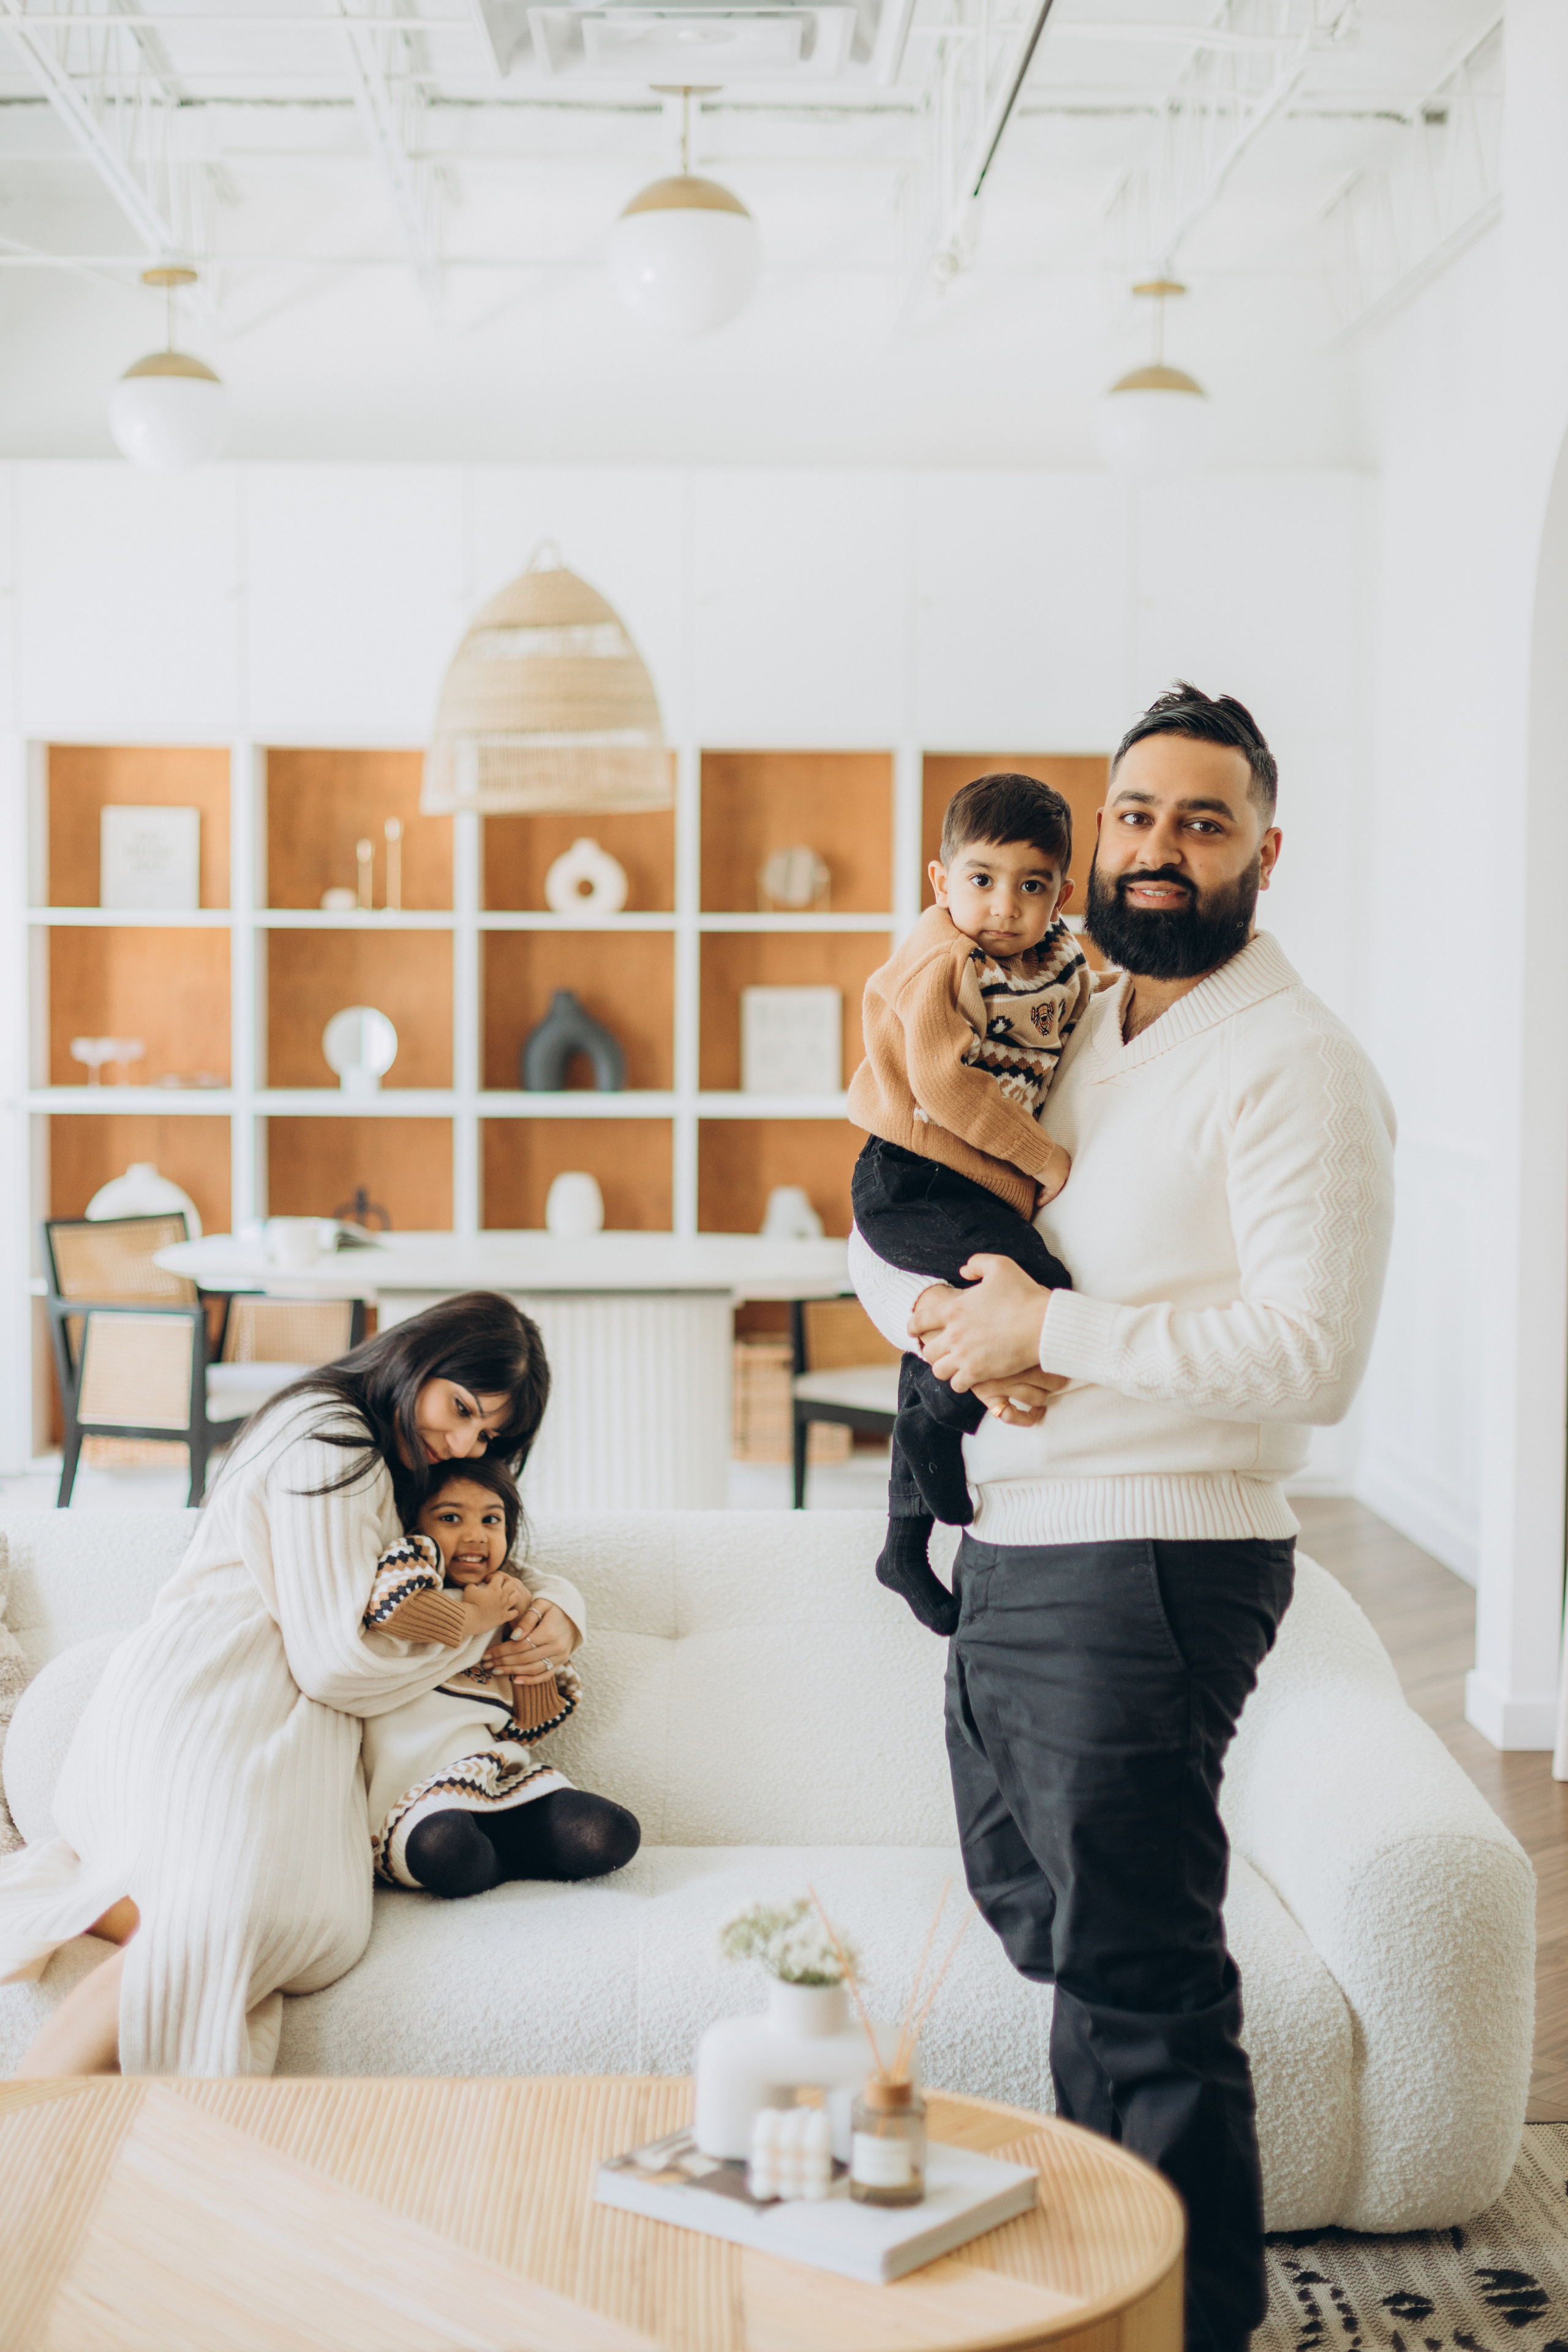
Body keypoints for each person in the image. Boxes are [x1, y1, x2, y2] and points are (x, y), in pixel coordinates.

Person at [850, 685, 1396, 2352]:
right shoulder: (1080, 1021)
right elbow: (930, 1198)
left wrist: (1046, 1334)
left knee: (1142, 1983)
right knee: (1064, 1946)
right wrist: (937, 1318)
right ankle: (1110, 2301)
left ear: (1265, 852)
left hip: (1153, 1556)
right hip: (1018, 1546)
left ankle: (1190, 2327)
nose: (1161, 850)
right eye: (1138, 816)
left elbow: (1314, 1357)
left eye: (1204, 822)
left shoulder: (1295, 1065)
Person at [0, 1292, 606, 2078]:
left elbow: (452, 1555)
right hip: (215, 1700)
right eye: (459, 1408)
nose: (460, 1442)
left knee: (309, 1927)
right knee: (248, 1925)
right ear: (419, 1357)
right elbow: (340, 1665)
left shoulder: (380, 1446)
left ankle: (116, 1955)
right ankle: (31, 2133)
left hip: (262, 1710)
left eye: (485, 1433)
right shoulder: (332, 1441)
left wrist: (557, 1603)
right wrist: (489, 1627)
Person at [846, 771, 1091, 1634]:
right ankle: (942, 1426)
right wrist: (1042, 1159)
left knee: (932, 1349)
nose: (1003, 906)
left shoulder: (1055, 964)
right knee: (1037, 1283)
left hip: (956, 1178)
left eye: (1031, 886)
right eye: (982, 880)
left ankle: (904, 1547)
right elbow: (945, 1088)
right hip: (910, 1173)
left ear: (1063, 894)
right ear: (939, 880)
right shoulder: (943, 959)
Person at [361, 1453, 638, 1896]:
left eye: (493, 1520)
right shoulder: (412, 1565)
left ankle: (500, 1851)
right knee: (448, 1847)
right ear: (413, 1523)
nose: (475, 1536)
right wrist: (476, 1614)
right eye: (451, 1517)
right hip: (413, 1803)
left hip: (491, 1781)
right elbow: (393, 1610)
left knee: (611, 1832)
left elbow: (527, 1727)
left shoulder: (505, 1597)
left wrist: (526, 1645)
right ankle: (488, 1858)